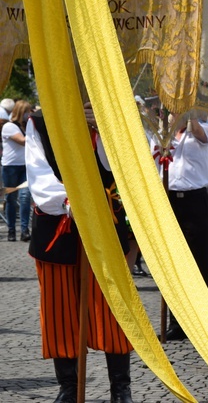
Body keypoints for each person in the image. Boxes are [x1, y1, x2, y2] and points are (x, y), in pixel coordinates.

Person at [26, 106, 134, 402]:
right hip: (57, 225)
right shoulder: (39, 120)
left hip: (103, 224)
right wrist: (68, 200)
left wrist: (103, 129)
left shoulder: (109, 108)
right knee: (59, 312)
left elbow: (121, 165)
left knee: (114, 308)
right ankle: (69, 387)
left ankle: (120, 387)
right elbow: (38, 173)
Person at [153, 113, 208, 341]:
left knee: (198, 262)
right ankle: (176, 322)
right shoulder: (160, 137)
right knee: (172, 263)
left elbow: (200, 134)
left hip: (194, 200)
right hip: (168, 199)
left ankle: (202, 322)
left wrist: (188, 114)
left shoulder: (202, 129)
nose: (168, 115)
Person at [2, 100, 33, 242]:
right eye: (27, 111)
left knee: (25, 198)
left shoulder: (27, 126)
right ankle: (11, 230)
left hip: (25, 166)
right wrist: (34, 132)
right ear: (21, 112)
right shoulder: (9, 126)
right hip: (10, 168)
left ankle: (25, 230)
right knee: (11, 199)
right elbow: (22, 141)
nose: (29, 114)